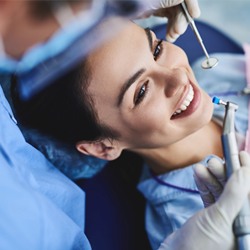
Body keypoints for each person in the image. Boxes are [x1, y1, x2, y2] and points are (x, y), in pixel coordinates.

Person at [11, 16, 250, 250]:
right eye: (142, 91)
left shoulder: (221, 75)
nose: (178, 77)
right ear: (103, 147)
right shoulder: (183, 226)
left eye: (156, 50)